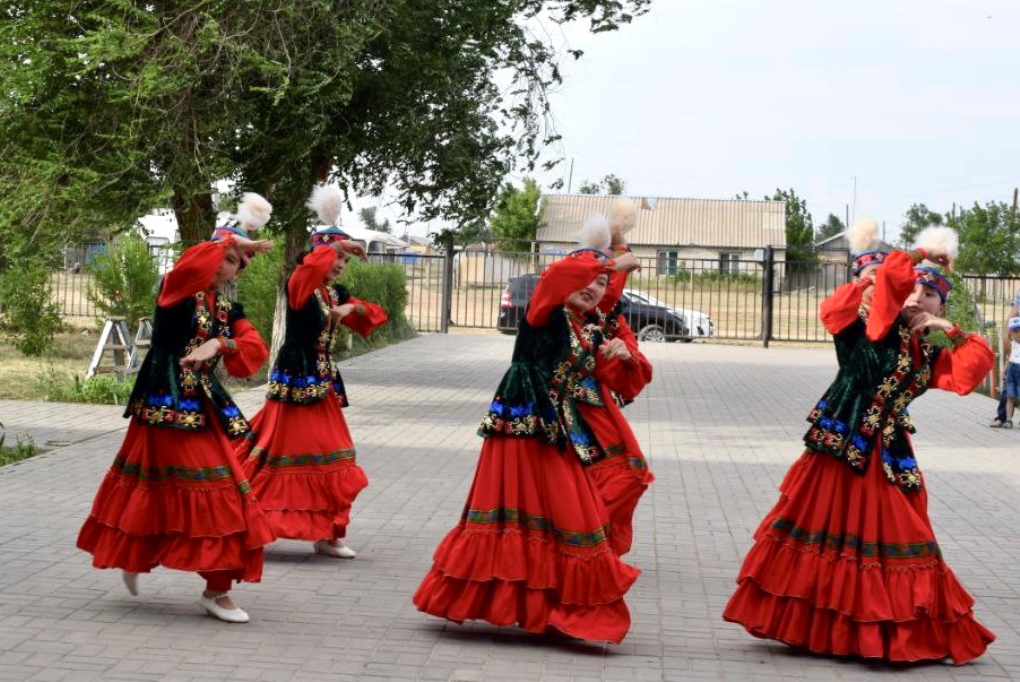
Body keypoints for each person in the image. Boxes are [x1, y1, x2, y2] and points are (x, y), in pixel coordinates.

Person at [723, 242, 996, 665]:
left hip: (888, 451)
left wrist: (948, 327)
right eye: (913, 291)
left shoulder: (928, 353)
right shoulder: (877, 326)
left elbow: (971, 371)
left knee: (901, 536)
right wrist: (920, 252)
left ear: (941, 302)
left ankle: (889, 631)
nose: (917, 299)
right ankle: (831, 630)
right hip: (843, 446)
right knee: (834, 535)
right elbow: (882, 286)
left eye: (929, 295)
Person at [413, 236, 652, 644]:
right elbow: (559, 275)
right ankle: (541, 606)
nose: (594, 288)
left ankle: (551, 609)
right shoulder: (544, 311)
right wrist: (611, 265)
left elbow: (621, 377)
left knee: (568, 514)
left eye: (600, 285)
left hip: (559, 428)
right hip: (524, 426)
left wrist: (624, 354)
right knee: (555, 511)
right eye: (589, 279)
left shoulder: (587, 327)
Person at [77, 230, 275, 624]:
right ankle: (134, 555)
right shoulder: (177, 289)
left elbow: (255, 346)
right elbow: (192, 263)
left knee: (223, 490)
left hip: (201, 405)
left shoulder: (226, 309)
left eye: (234, 262)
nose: (225, 266)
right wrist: (230, 240)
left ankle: (217, 589)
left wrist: (221, 345)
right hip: (162, 404)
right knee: (154, 486)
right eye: (224, 257)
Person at [240, 219, 386, 559]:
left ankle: (327, 533)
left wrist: (352, 307)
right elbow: (308, 271)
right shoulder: (300, 285)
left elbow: (376, 315)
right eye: (337, 257)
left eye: (346, 260)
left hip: (322, 382)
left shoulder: (335, 293)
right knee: (279, 456)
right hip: (296, 382)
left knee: (334, 457)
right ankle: (249, 522)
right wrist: (331, 250)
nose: (340, 265)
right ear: (320, 254)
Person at [990, 317, 1020, 428]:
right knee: (1009, 395)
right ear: (1011, 333)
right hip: (1012, 371)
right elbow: (1009, 358)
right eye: (1015, 331)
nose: (1018, 333)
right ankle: (1007, 419)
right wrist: (1004, 371)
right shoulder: (1012, 345)